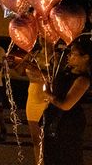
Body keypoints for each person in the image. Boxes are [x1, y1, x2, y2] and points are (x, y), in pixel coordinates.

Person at [41, 36, 91, 165]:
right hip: (54, 118)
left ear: (85, 58)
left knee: (66, 156)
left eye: (73, 54)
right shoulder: (66, 72)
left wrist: (49, 95)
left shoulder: (82, 80)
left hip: (67, 123)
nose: (69, 55)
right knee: (50, 155)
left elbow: (66, 105)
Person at [10, 43, 51, 165]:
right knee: (35, 138)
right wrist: (22, 62)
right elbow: (19, 71)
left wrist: (34, 68)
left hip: (48, 97)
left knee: (48, 137)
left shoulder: (57, 55)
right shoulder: (34, 54)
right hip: (33, 96)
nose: (41, 37)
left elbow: (51, 77)